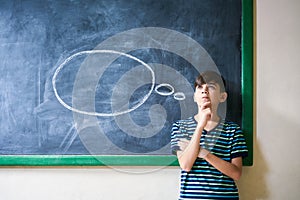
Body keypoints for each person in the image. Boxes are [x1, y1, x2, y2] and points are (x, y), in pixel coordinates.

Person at [171, 71, 248, 199]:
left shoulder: (233, 131)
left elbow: (236, 173)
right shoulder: (180, 127)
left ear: (222, 97)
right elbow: (185, 165)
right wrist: (201, 125)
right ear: (195, 96)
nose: (204, 91)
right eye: (200, 87)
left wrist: (205, 154)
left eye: (211, 87)